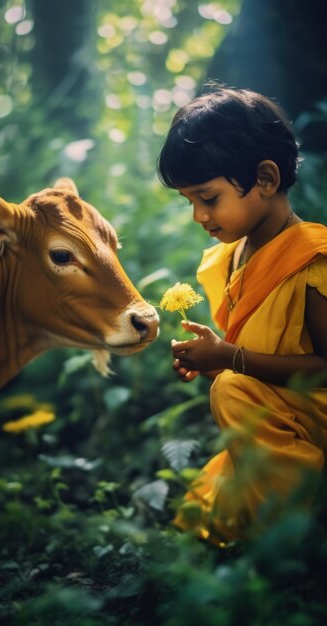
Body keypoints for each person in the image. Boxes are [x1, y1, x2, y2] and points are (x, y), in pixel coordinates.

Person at [157, 85, 327, 544]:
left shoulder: (313, 260)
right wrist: (212, 359)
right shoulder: (225, 261)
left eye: (208, 198)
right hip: (270, 422)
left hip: (315, 421)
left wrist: (231, 360)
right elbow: (255, 363)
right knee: (203, 519)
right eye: (189, 201)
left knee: (233, 387)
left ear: (266, 179)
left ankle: (296, 526)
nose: (198, 215)